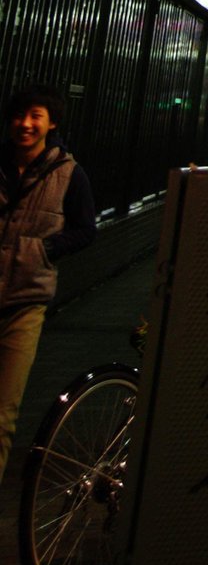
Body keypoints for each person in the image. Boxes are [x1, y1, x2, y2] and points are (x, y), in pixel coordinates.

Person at [0, 84, 95, 481]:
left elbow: (85, 229)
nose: (25, 124)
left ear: (50, 123)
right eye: (20, 116)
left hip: (24, 302)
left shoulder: (69, 174)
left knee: (3, 409)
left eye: (35, 116)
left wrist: (42, 251)